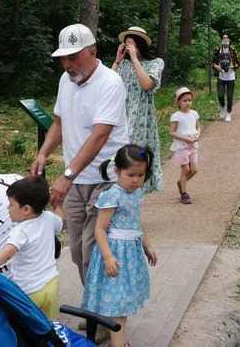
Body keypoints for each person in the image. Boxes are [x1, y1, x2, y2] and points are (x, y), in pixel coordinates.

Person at [31, 23, 130, 283]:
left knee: (93, 249)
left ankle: (103, 312)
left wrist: (66, 176)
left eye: (73, 56)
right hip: (76, 180)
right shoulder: (66, 80)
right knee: (75, 250)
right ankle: (94, 303)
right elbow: (59, 122)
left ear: (93, 52)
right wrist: (43, 153)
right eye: (63, 57)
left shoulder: (110, 82)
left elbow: (100, 135)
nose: (67, 63)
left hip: (105, 178)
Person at [82, 144, 158, 347]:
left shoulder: (135, 194)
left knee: (121, 300)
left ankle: (115, 338)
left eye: (141, 175)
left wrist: (146, 244)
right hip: (115, 254)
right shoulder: (112, 195)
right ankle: (118, 343)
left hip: (130, 254)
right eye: (131, 174)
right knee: (118, 308)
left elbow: (136, 221)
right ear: (117, 171)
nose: (136, 180)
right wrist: (108, 256)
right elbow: (99, 229)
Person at [0, 176, 63, 320]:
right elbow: (61, 222)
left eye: (11, 205)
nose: (8, 208)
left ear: (26, 209)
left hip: (29, 290)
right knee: (49, 325)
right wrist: (58, 205)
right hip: (51, 283)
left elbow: (7, 254)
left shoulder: (21, 230)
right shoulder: (49, 218)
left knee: (28, 328)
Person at [112, 26, 164, 192]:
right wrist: (117, 61)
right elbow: (107, 83)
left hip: (142, 120)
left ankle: (135, 197)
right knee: (120, 157)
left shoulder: (155, 63)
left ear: (140, 45)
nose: (128, 48)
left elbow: (147, 85)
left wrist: (134, 59)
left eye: (131, 44)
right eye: (125, 44)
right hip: (122, 117)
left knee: (137, 160)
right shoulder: (123, 65)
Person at [168, 87, 200, 204]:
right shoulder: (176, 116)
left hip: (193, 145)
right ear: (178, 102)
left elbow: (198, 127)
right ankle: (184, 194)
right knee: (185, 169)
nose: (188, 103)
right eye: (184, 101)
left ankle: (182, 183)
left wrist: (197, 135)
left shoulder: (194, 113)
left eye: (189, 100)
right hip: (181, 146)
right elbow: (171, 132)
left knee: (194, 169)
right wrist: (185, 138)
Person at [211, 32, 237, 122]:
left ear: (229, 40)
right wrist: (216, 67)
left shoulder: (233, 50)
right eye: (224, 38)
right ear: (222, 40)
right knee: (220, 95)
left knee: (230, 96)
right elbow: (213, 62)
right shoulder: (218, 50)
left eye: (227, 38)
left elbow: (238, 63)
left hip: (231, 76)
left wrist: (233, 66)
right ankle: (222, 107)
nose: (225, 39)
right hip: (221, 76)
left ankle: (228, 113)